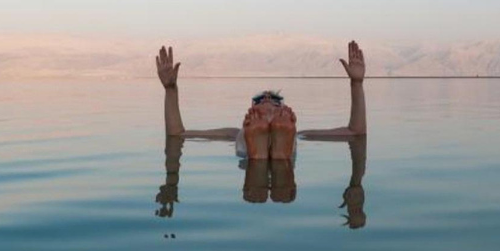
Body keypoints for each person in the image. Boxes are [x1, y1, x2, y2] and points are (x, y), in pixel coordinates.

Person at [155, 41, 367, 160]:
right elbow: (178, 134)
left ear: (282, 110)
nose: (266, 98)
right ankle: (275, 152)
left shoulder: (299, 133)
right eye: (260, 99)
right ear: (251, 110)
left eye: (274, 99)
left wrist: (356, 84)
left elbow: (355, 132)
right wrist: (170, 89)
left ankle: (262, 153)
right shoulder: (237, 132)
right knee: (248, 138)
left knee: (248, 147)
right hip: (256, 139)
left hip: (252, 148)